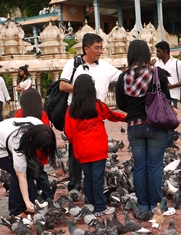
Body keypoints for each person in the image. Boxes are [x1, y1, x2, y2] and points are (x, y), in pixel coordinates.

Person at [59, 33, 122, 192]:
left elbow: (122, 78)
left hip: (96, 111)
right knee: (75, 150)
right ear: (86, 49)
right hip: (77, 111)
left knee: (95, 149)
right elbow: (63, 85)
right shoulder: (74, 64)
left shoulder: (105, 66)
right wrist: (83, 90)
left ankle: (93, 183)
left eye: (101, 47)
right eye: (96, 48)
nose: (100, 51)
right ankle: (75, 183)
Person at [115, 39, 172, 214]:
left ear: (130, 54)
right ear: (147, 53)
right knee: (154, 166)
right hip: (155, 125)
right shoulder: (157, 73)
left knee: (140, 166)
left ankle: (143, 205)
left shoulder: (123, 77)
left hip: (134, 126)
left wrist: (134, 108)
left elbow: (121, 104)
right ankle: (156, 204)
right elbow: (167, 100)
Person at [0, 90, 57, 216]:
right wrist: (27, 202)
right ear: (33, 141)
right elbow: (21, 175)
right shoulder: (18, 143)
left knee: (27, 171)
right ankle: (16, 211)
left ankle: (32, 205)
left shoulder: (38, 124)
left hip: (5, 135)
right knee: (17, 174)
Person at [65, 75, 126, 217]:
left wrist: (78, 143)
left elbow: (69, 132)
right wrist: (126, 117)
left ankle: (90, 203)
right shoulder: (98, 105)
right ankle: (99, 206)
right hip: (98, 148)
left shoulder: (71, 110)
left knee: (87, 176)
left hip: (82, 149)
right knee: (97, 177)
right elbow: (112, 115)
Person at [14, 89, 54, 203]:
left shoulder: (19, 114)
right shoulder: (42, 114)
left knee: (28, 177)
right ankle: (49, 198)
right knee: (41, 175)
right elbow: (46, 131)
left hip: (27, 151)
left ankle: (32, 200)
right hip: (40, 149)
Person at [153, 41, 181, 148]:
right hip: (158, 97)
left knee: (170, 122)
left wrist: (171, 86)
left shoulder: (178, 63)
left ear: (165, 51)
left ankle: (168, 146)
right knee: (159, 122)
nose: (157, 53)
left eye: (159, 51)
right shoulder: (156, 64)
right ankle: (161, 145)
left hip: (172, 96)